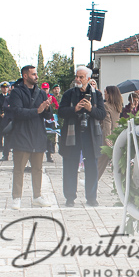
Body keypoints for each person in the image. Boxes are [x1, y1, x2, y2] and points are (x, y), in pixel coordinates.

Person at [6, 65, 53, 210]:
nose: (36, 77)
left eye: (36, 74)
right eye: (33, 74)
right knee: (19, 168)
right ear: (25, 76)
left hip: (38, 134)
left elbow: (47, 116)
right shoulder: (17, 92)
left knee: (38, 168)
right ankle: (17, 198)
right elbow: (17, 112)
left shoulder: (41, 92)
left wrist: (47, 108)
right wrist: (36, 110)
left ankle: (37, 196)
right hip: (22, 134)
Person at [59, 66, 106, 207]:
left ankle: (91, 197)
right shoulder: (69, 94)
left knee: (92, 167)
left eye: (81, 77)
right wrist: (75, 109)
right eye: (77, 76)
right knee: (70, 166)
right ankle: (69, 197)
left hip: (90, 135)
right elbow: (61, 112)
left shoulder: (97, 95)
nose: (78, 79)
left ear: (88, 79)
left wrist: (91, 109)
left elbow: (102, 114)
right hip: (72, 134)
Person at [98, 85, 123, 180]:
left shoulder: (106, 106)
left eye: (105, 92)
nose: (104, 94)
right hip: (115, 135)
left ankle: (92, 180)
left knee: (101, 161)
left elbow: (107, 123)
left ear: (110, 94)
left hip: (107, 136)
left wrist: (107, 138)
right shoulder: (118, 106)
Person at [0, 82, 10, 153]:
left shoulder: (11, 96)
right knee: (0, 133)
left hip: (8, 117)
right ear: (1, 88)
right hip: (0, 117)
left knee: (8, 132)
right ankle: (0, 147)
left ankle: (8, 146)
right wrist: (0, 113)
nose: (5, 89)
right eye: (3, 87)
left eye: (6, 87)